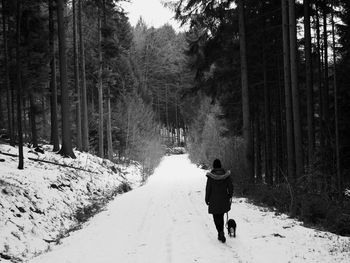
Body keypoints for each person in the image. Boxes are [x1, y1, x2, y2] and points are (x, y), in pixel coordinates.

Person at [205, 159, 233, 243]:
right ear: (220, 166)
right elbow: (231, 187)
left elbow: (208, 189)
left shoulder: (210, 177)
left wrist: (207, 199)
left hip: (213, 200)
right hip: (223, 199)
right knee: (221, 216)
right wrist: (230, 195)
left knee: (216, 217)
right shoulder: (226, 175)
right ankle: (221, 232)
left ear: (214, 166)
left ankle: (220, 232)